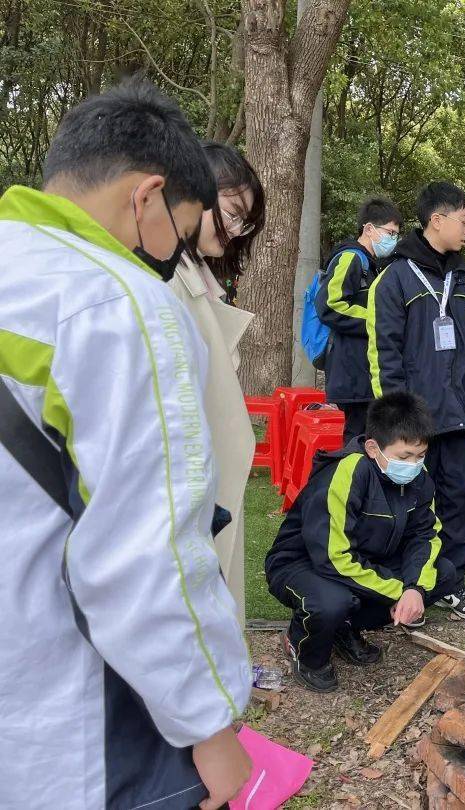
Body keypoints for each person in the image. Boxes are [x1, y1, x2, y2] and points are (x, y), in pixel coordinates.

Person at [0, 80, 251, 809]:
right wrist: (210, 725)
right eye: (184, 228)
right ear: (146, 197)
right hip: (63, 723)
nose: (175, 255)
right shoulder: (120, 304)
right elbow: (147, 553)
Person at [265, 392, 455, 692]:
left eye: (420, 456)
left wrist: (415, 588)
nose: (414, 464)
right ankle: (304, 648)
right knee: (332, 602)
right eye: (404, 456)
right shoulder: (347, 471)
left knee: (443, 574)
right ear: (372, 447)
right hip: (305, 563)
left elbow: (425, 535)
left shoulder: (419, 477)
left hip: (365, 558)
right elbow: (333, 556)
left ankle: (345, 628)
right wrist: (400, 590)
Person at [366, 181, 465, 620]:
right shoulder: (394, 279)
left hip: (460, 416)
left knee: (462, 500)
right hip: (415, 424)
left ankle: (451, 584)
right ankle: (409, 587)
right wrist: (398, 422)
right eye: (464, 220)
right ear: (437, 220)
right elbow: (385, 354)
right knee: (414, 506)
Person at [169, 141, 266, 623]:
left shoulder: (197, 274)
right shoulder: (167, 279)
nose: (236, 230)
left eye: (244, 221)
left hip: (214, 473)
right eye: (231, 213)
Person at [317, 197, 403, 441]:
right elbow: (331, 305)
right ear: (368, 229)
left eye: (396, 234)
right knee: (357, 439)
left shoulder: (373, 263)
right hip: (351, 369)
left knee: (370, 437)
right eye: (390, 232)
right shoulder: (351, 258)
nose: (393, 239)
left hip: (363, 370)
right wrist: (377, 320)